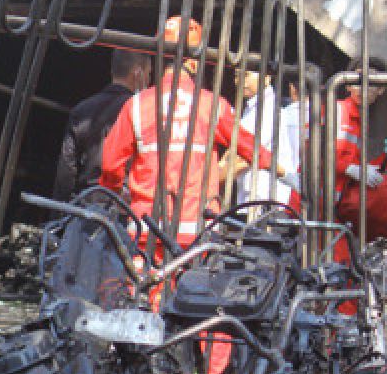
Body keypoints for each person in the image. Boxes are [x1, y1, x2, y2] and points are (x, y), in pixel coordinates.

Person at [100, 16, 275, 247]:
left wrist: (110, 194)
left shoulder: (137, 105)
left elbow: (111, 165)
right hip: (197, 238)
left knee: (143, 282)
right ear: (193, 60)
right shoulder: (212, 105)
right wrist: (279, 168)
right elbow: (250, 148)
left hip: (147, 233)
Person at [52, 48, 152, 203]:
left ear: (113, 70)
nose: (149, 80)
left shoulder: (82, 110)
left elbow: (66, 174)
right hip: (124, 210)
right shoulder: (143, 114)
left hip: (86, 207)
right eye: (149, 74)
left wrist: (59, 218)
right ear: (138, 73)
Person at [333, 56, 387, 241]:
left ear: (381, 90)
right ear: (347, 84)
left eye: (372, 83)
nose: (363, 88)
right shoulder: (336, 111)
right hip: (318, 206)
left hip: (336, 209)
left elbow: (354, 163)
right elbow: (316, 157)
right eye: (358, 81)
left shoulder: (362, 120)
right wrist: (352, 169)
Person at [233, 67, 296, 205]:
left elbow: (247, 154)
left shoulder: (268, 109)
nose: (240, 81)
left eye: (247, 74)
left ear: (267, 78)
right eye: (237, 76)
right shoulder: (252, 108)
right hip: (253, 198)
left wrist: (214, 178)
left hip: (265, 199)